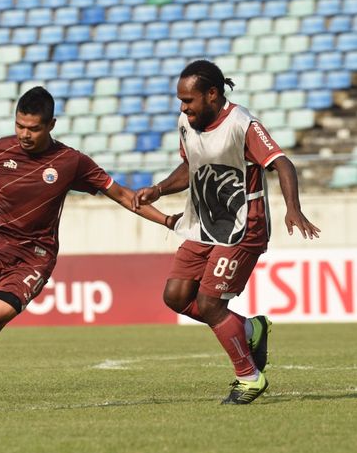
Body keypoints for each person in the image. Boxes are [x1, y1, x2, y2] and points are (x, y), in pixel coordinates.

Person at [0, 86, 178, 414]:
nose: (25, 134)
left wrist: (167, 220)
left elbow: (123, 195)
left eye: (34, 128)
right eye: (20, 126)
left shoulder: (71, 162)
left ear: (51, 125)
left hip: (33, 259)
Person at [133, 60, 321, 405]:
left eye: (188, 100)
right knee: (175, 296)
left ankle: (249, 377)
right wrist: (158, 189)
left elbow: (281, 161)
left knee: (209, 303)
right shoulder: (186, 123)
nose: (183, 107)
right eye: (180, 101)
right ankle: (251, 329)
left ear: (212, 94)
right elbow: (191, 165)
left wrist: (293, 208)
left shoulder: (242, 124)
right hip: (203, 224)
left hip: (242, 227)